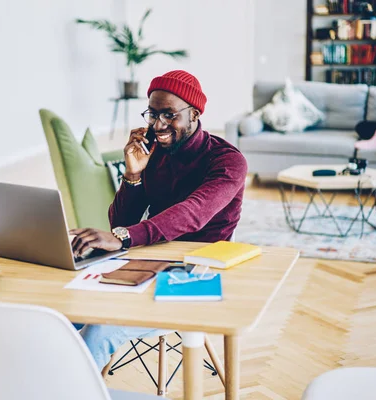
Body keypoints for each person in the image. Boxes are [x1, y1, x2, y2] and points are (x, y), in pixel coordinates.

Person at [69, 70, 248, 370]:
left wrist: (124, 237)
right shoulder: (154, 152)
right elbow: (120, 222)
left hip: (199, 274)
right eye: (152, 114)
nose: (158, 125)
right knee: (66, 313)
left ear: (194, 113)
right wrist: (133, 175)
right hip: (148, 260)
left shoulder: (228, 161)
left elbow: (194, 212)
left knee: (99, 331)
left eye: (168, 115)